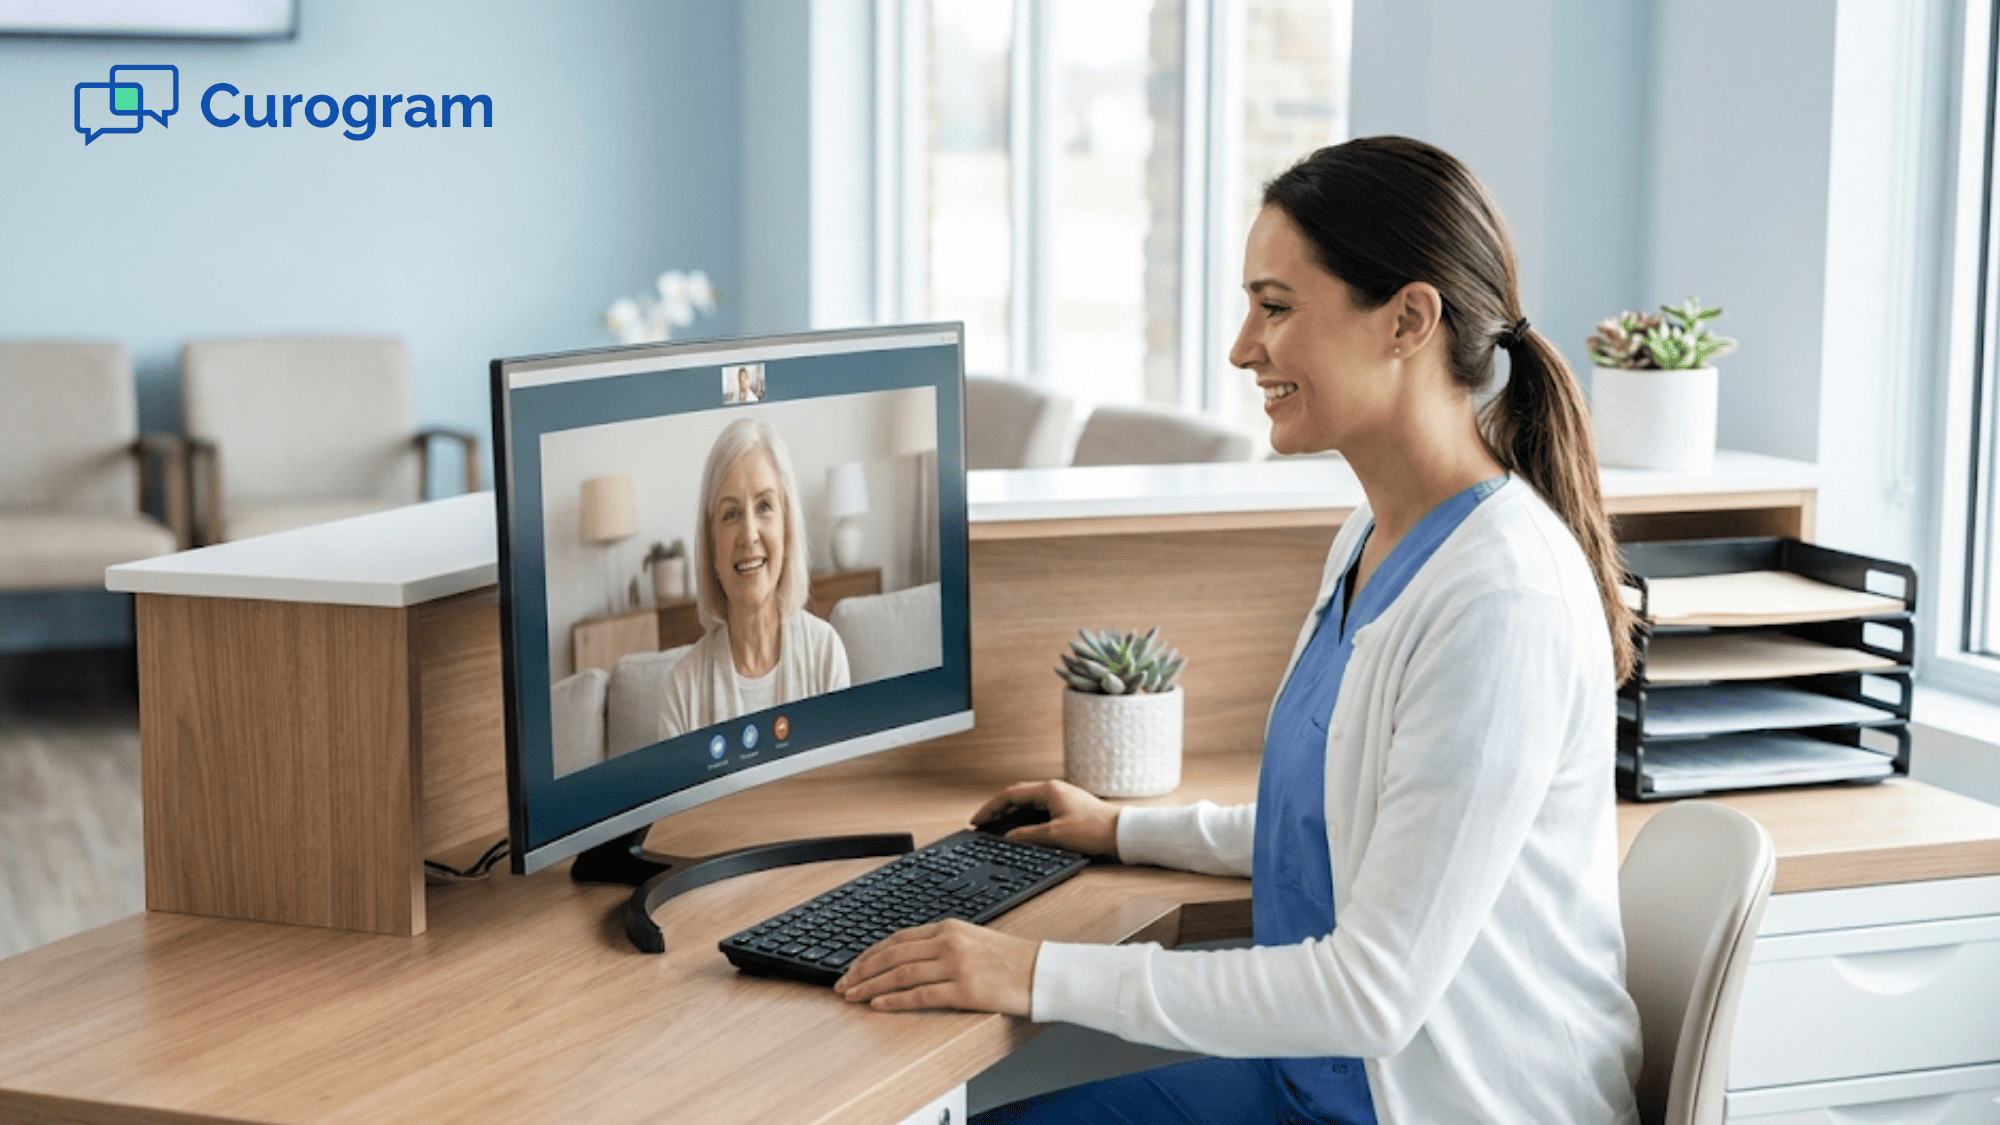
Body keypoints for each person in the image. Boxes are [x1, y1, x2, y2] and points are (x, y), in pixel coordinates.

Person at [834, 136, 1645, 1125]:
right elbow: (1349, 826)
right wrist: (1119, 830)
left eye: (1274, 307)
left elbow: (1368, 993)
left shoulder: (1497, 601)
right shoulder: (1372, 538)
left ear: (1407, 320)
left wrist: (1032, 972)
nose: (1241, 347)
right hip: (1311, 1083)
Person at [658, 418, 849, 739]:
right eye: (731, 513)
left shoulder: (824, 654)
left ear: (786, 529)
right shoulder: (682, 691)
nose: (748, 534)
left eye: (764, 506)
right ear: (710, 545)